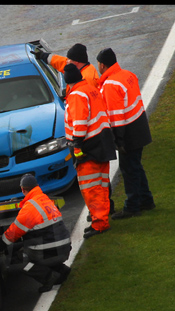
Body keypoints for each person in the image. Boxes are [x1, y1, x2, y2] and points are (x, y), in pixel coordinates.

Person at [96, 48, 155, 219]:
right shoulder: (127, 74)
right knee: (135, 166)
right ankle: (146, 200)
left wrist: (118, 140)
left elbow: (116, 116)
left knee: (129, 169)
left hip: (129, 131)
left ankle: (132, 206)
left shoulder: (110, 84)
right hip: (139, 124)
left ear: (102, 65)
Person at [63, 64, 116, 238]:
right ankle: (101, 219)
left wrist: (77, 145)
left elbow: (80, 122)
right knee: (101, 185)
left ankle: (99, 223)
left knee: (91, 188)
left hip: (88, 147)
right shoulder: (89, 89)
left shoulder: (76, 95)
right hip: (101, 142)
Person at [2, 174, 72, 293]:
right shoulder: (46, 199)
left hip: (51, 251)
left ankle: (49, 277)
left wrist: (1, 241)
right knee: (40, 245)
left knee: (17, 260)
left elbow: (12, 235)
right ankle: (62, 270)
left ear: (23, 189)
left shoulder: (29, 207)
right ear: (37, 186)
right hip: (65, 249)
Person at [33, 43, 100, 89]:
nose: (66, 61)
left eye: (69, 59)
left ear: (76, 62)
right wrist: (43, 56)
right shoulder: (81, 66)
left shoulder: (87, 78)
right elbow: (60, 61)